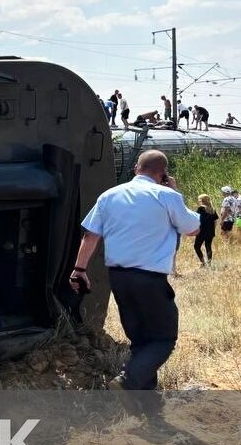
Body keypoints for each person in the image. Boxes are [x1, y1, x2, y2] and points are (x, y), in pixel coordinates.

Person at [70, 150, 199, 425]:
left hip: (119, 278)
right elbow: (192, 229)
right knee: (164, 339)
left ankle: (148, 408)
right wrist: (176, 193)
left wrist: (79, 269)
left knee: (142, 341)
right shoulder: (167, 196)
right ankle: (128, 381)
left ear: (136, 169)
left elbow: (90, 236)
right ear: (162, 174)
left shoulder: (110, 196)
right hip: (150, 280)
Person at [194, 195, 218, 266]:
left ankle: (203, 263)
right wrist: (212, 229)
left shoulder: (201, 208)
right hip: (210, 231)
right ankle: (209, 263)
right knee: (208, 246)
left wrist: (196, 229)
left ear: (202, 200)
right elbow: (215, 222)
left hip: (201, 231)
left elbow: (197, 219)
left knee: (196, 246)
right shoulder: (212, 209)